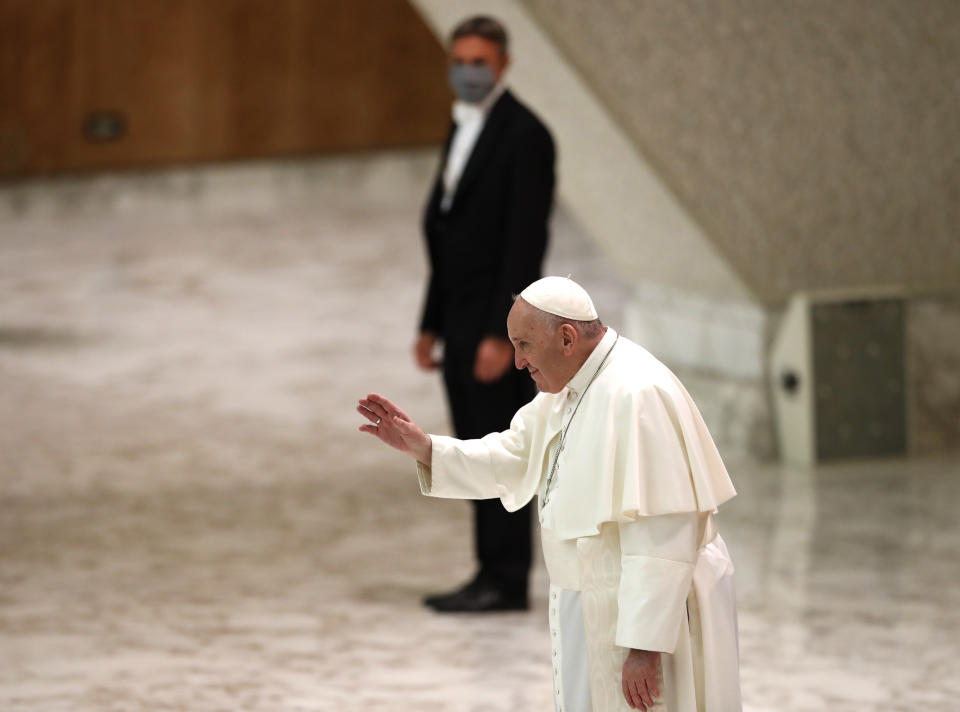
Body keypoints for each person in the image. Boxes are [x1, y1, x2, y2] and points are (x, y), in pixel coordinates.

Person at [359, 277, 742, 711]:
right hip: (594, 602)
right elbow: (513, 454)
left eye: (523, 345)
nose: (518, 362)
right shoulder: (572, 384)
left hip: (646, 615)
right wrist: (425, 448)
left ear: (566, 338)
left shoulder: (637, 394)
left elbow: (664, 530)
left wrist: (644, 645)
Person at [413, 15, 555, 613]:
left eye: (480, 61)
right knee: (471, 441)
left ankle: (506, 575)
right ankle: (487, 570)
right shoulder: (464, 125)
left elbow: (523, 243)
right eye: (460, 59)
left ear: (503, 65)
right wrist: (430, 321)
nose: (468, 71)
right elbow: (446, 232)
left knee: (497, 445)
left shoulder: (526, 136)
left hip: (494, 322)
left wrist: (509, 337)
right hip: (460, 315)